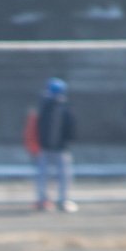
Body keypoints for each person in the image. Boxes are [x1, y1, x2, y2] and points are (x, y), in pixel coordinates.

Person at [35, 77, 77, 213]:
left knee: (63, 176)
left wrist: (67, 142)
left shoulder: (65, 107)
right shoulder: (44, 106)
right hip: (46, 147)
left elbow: (71, 126)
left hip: (61, 148)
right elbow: (38, 125)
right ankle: (43, 200)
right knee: (43, 175)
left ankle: (63, 200)